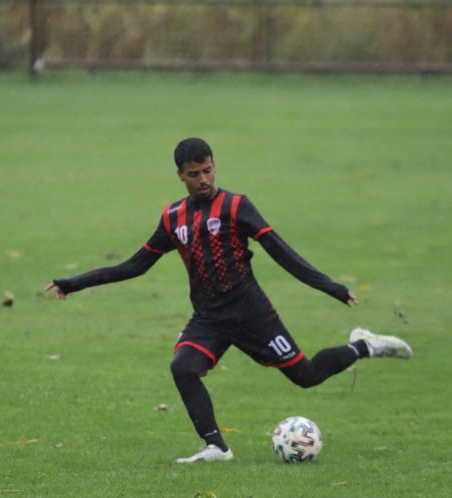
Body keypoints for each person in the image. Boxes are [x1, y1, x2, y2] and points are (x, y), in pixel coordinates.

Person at [46, 138, 412, 463]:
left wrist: (330, 286)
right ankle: (216, 447)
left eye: (207, 170)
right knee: (182, 368)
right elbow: (136, 265)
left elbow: (281, 252)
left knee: (307, 376)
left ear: (214, 165)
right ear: (180, 175)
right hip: (208, 318)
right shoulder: (173, 217)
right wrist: (74, 283)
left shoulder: (237, 206)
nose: (203, 179)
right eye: (194, 174)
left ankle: (363, 346)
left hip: (253, 314)